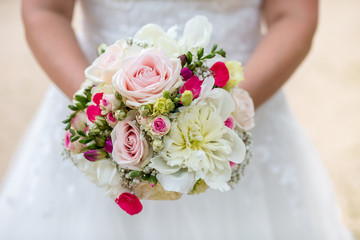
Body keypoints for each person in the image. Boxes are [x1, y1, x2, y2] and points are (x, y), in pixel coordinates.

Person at [0, 0, 354, 239]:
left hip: (244, 106)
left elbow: (293, 15)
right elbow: (45, 9)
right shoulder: (103, 112)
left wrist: (221, 114)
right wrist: (104, 110)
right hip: (99, 112)